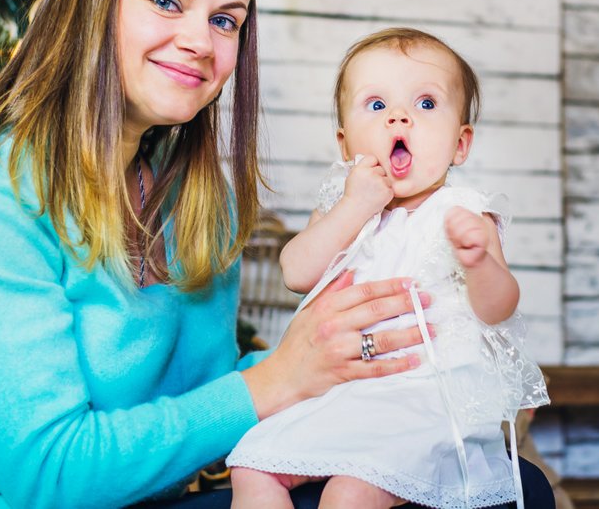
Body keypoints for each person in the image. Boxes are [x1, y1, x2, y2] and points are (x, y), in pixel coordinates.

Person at [0, 0, 432, 509]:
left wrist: (353, 370)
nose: (199, 42)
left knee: (480, 486)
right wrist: (278, 378)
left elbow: (209, 402)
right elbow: (51, 475)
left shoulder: (195, 199)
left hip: (145, 502)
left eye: (224, 20)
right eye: (166, 2)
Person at [227, 28, 552, 509]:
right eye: (376, 106)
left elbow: (498, 308)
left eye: (425, 104)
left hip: (425, 397)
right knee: (252, 465)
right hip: (344, 392)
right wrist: (353, 207)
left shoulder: (462, 211)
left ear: (460, 144)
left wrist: (480, 260)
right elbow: (296, 272)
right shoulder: (344, 205)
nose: (400, 116)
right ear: (345, 144)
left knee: (350, 492)